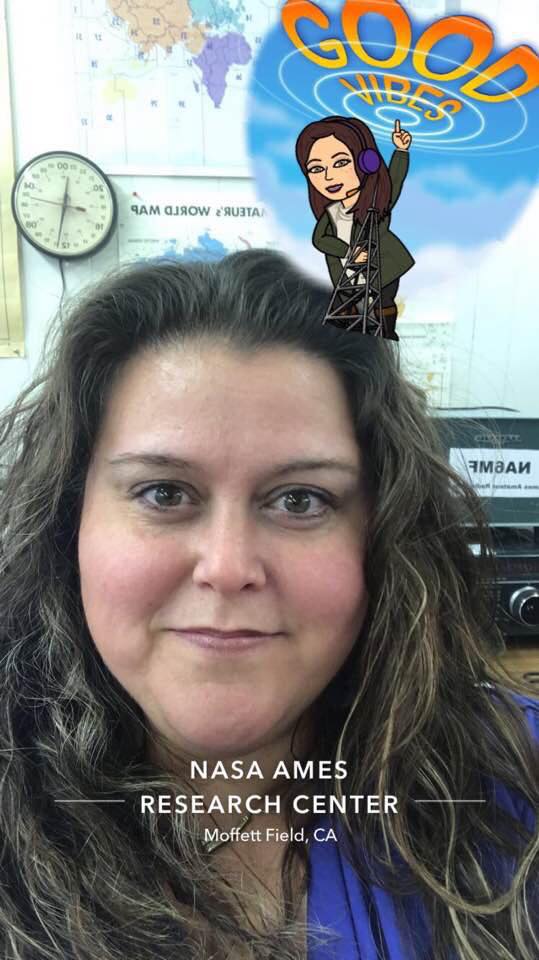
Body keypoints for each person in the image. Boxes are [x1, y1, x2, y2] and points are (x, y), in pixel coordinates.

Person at [0, 249, 536, 960]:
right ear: (68, 523)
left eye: (300, 500)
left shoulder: (515, 776)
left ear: (382, 536)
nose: (227, 569)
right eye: (164, 492)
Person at [295, 115, 415, 340]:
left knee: (380, 313)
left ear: (366, 162)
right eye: (316, 168)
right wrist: (348, 252)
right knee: (347, 320)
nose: (328, 177)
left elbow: (395, 180)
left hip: (383, 271)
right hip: (346, 278)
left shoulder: (377, 201)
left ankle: (383, 336)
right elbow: (319, 240)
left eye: (340, 163)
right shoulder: (331, 212)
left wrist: (401, 151)